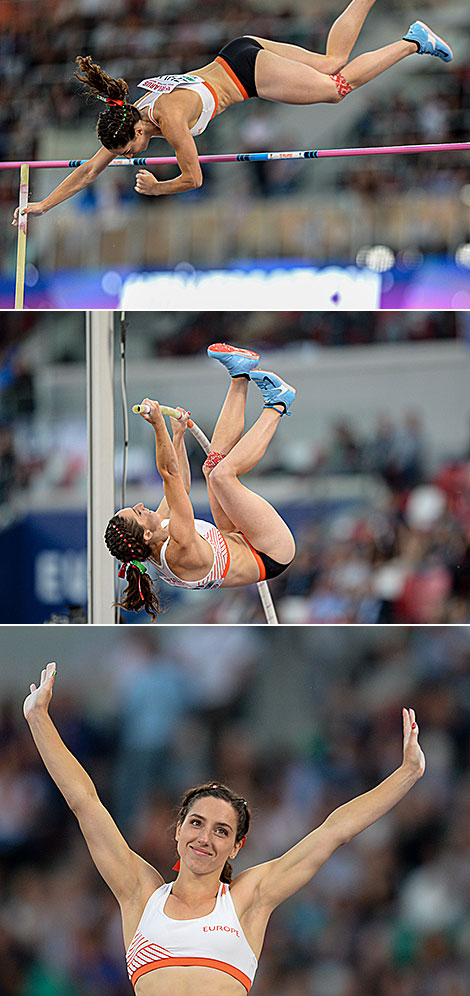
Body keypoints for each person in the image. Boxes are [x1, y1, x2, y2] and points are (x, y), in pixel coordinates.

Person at [24, 660, 426, 996]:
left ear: (236, 847)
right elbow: (85, 802)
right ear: (178, 830)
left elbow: (334, 831)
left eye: (221, 831)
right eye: (197, 824)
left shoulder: (249, 898)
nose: (205, 838)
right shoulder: (139, 893)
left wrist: (407, 774)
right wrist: (38, 719)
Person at [12, 3, 452, 220]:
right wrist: (43, 205)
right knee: (330, 61)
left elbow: (194, 178)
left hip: (246, 75)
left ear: (137, 132)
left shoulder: (169, 119)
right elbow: (89, 171)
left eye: (129, 152)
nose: (129, 158)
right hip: (237, 53)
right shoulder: (130, 115)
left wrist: (156, 188)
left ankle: (412, 41)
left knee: (337, 88)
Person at [104, 344, 296, 620]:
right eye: (137, 513)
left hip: (238, 538)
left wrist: (178, 436)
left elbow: (180, 485)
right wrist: (158, 425)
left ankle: (240, 374)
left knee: (212, 467)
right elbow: (169, 475)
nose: (140, 505)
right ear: (145, 534)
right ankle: (278, 404)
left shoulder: (157, 532)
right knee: (222, 477)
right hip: (270, 552)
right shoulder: (177, 550)